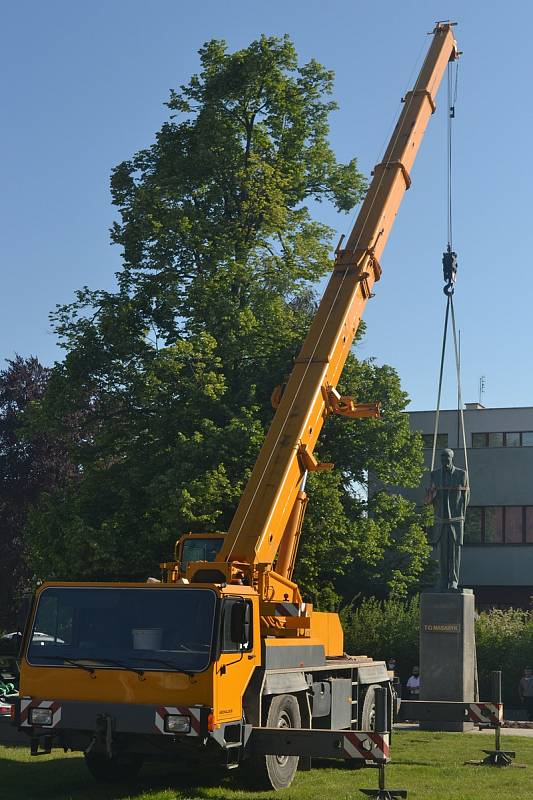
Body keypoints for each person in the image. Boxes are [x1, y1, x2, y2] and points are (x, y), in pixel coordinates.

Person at [426, 448, 470, 592]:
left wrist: (460, 516)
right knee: (442, 554)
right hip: (440, 521)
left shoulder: (461, 474)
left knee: (454, 553)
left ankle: (453, 581)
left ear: (452, 458)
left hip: (455, 521)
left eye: (447, 457)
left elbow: (466, 498)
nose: (444, 460)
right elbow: (431, 497)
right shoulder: (435, 474)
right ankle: (443, 581)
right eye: (442, 457)